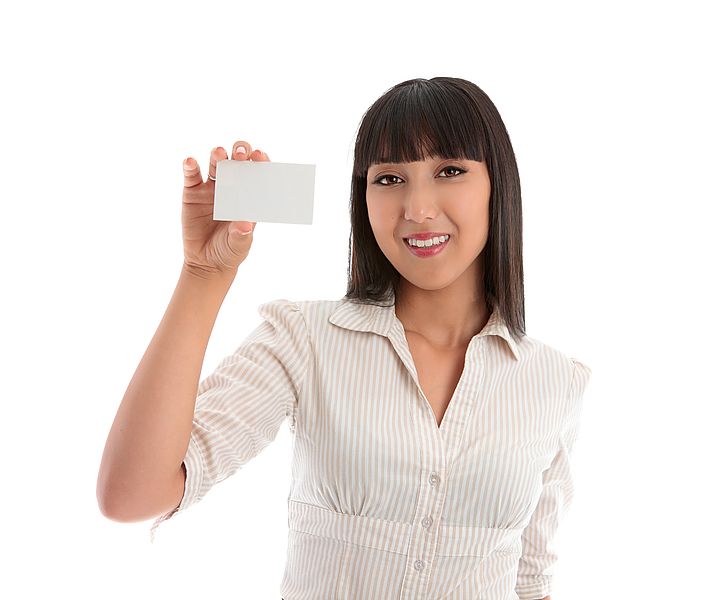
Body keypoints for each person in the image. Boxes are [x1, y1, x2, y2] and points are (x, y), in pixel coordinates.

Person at [97, 77, 591, 600]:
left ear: (499, 185)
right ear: (364, 198)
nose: (418, 208)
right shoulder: (305, 340)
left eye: (450, 171)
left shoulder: (557, 381)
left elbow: (530, 582)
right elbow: (131, 496)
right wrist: (204, 275)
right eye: (389, 178)